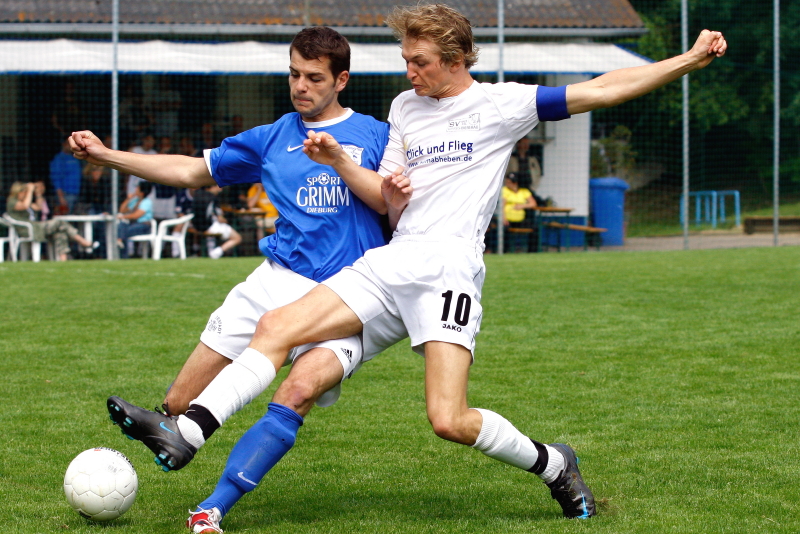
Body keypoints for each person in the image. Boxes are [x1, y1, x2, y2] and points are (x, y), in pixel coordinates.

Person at [127, 5, 727, 529]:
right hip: (394, 260)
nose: (410, 73)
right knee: (276, 327)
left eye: (420, 62)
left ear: (457, 59)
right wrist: (347, 165)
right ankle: (190, 434)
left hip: (448, 271)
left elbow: (603, 89)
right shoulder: (404, 108)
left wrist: (687, 60)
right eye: (406, 61)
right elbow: (383, 196)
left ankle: (553, 464)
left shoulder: (503, 104)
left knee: (448, 419)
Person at [69, 24, 410, 517]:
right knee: (177, 402)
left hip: (344, 294)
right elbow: (190, 171)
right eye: (294, 74)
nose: (300, 86)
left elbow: (395, 200)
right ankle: (165, 440)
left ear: (342, 80)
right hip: (275, 280)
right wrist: (106, 156)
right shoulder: (271, 138)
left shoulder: (377, 135)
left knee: (297, 392)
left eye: (314, 77)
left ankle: (214, 506)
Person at [5, 181, 95, 261]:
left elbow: (39, 207)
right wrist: (30, 190)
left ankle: (63, 261)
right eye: (23, 192)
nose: (25, 194)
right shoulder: (12, 201)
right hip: (28, 229)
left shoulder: (25, 201)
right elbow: (25, 205)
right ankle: (82, 241)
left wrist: (38, 193)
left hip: (36, 227)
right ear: (17, 192)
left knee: (60, 232)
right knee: (58, 222)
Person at [192, 184, 242, 259]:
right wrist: (226, 220)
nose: (220, 190)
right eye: (218, 187)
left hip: (196, 226)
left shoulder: (197, 194)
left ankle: (209, 252)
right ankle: (216, 253)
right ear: (211, 187)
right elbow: (220, 219)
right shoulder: (213, 198)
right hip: (209, 226)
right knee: (237, 238)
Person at [117, 181, 154, 258]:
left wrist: (123, 217)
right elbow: (122, 210)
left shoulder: (147, 202)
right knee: (122, 225)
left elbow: (136, 215)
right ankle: (120, 242)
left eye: (137, 188)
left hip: (143, 226)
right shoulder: (135, 200)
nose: (135, 189)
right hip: (133, 224)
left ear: (142, 192)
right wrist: (128, 199)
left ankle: (123, 253)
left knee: (124, 231)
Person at [501, 173, 537, 252]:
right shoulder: (505, 190)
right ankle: (505, 251)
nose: (507, 184)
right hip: (508, 220)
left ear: (515, 183)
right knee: (504, 229)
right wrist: (504, 217)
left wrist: (522, 206)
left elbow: (533, 203)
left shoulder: (524, 191)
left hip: (520, 220)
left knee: (535, 228)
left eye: (509, 182)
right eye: (506, 182)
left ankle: (532, 252)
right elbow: (502, 205)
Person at [50, 139, 83, 214]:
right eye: (68, 143)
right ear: (64, 144)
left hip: (77, 194)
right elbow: (56, 179)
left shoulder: (75, 157)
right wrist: (61, 197)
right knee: (65, 216)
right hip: (65, 194)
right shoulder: (59, 159)